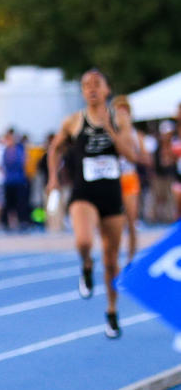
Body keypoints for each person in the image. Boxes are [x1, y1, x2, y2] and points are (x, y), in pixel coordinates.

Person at [47, 69, 136, 339]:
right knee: (84, 241)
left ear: (108, 89)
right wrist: (53, 178)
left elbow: (130, 153)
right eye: (86, 85)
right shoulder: (74, 121)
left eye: (97, 84)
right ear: (83, 92)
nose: (92, 89)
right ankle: (86, 264)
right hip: (83, 193)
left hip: (111, 194)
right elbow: (54, 148)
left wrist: (110, 127)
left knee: (111, 260)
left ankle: (111, 311)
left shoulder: (119, 118)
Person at [111, 95, 149, 263]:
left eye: (124, 111)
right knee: (114, 222)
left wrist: (134, 156)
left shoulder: (136, 134)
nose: (122, 114)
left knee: (132, 221)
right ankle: (112, 255)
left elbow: (146, 158)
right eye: (118, 111)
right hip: (112, 178)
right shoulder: (109, 132)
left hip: (128, 177)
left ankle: (131, 257)